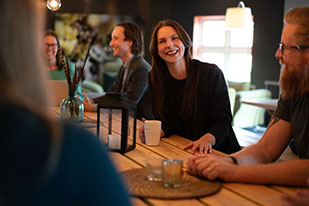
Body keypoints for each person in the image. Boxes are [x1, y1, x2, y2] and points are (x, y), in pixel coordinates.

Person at [0, 0, 131, 205]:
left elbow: (76, 94)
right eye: (46, 45)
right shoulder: (72, 150)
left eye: (54, 45)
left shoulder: (68, 66)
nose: (50, 49)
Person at [187, 7, 309, 187]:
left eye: (284, 47)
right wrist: (227, 162)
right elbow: (266, 148)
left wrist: (235, 171)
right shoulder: (295, 88)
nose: (277, 54)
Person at [139, 19, 241, 154]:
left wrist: (206, 140)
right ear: (156, 50)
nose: (169, 45)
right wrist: (160, 131)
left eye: (175, 38)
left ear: (185, 42)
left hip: (219, 151)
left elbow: (223, 122)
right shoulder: (155, 78)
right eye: (162, 41)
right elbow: (171, 123)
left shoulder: (211, 73)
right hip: (182, 149)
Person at [83, 22, 151, 112]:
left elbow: (130, 102)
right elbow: (112, 96)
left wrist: (94, 108)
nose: (111, 44)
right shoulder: (124, 67)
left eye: (115, 38)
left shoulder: (141, 68)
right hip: (122, 119)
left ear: (130, 42)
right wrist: (90, 102)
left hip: (139, 122)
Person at [44, 30, 84, 100]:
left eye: (53, 45)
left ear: (58, 47)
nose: (49, 48)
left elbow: (79, 96)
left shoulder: (70, 68)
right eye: (46, 44)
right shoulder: (33, 68)